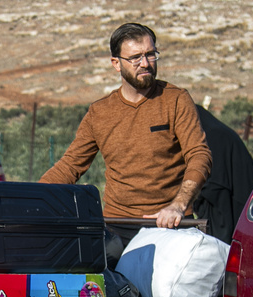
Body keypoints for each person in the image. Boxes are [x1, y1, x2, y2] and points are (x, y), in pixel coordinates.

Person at [40, 23, 212, 244]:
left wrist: (178, 206)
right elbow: (70, 166)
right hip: (116, 227)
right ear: (116, 63)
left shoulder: (176, 99)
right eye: (135, 58)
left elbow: (199, 155)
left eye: (151, 55)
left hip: (169, 224)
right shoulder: (100, 111)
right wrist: (33, 200)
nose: (145, 63)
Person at [193, 105, 253, 244]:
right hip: (241, 208)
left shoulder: (210, 136)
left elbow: (215, 187)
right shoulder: (213, 131)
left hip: (227, 206)